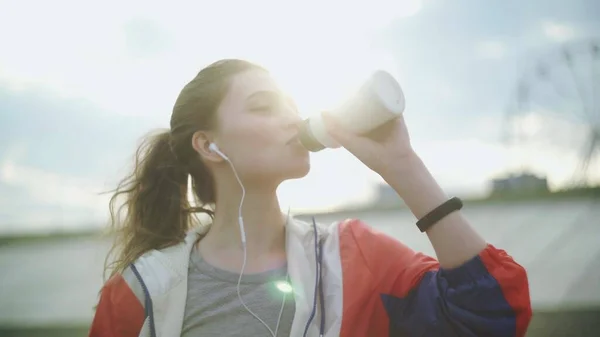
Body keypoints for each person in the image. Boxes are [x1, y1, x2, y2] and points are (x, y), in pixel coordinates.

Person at [89, 59, 532, 337]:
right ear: (208, 146)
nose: (291, 119)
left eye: (290, 105)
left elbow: (494, 316)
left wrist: (402, 164)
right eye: (264, 107)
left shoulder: (353, 255)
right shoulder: (140, 292)